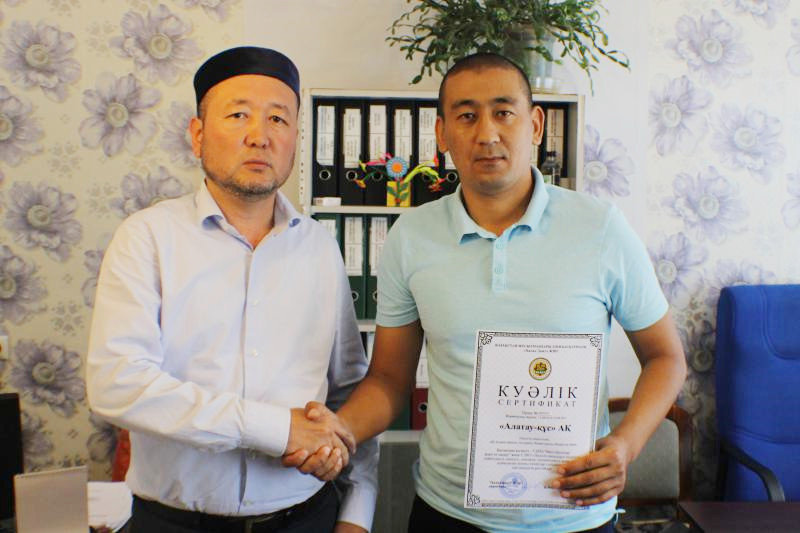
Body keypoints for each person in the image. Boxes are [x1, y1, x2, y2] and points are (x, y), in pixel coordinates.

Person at [287, 53, 686, 532]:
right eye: (467, 116)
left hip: (573, 517)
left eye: (503, 112)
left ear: (535, 125)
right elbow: (389, 379)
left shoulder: (601, 229)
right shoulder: (411, 237)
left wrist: (626, 444)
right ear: (442, 133)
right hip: (447, 513)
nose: (487, 133)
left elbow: (665, 358)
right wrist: (341, 429)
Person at [86, 46, 377, 533]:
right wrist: (277, 430)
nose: (259, 135)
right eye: (239, 115)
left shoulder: (320, 247)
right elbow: (117, 382)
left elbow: (349, 391)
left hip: (307, 519)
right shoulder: (147, 237)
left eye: (278, 119)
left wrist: (357, 513)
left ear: (296, 138)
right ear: (198, 135)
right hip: (176, 524)